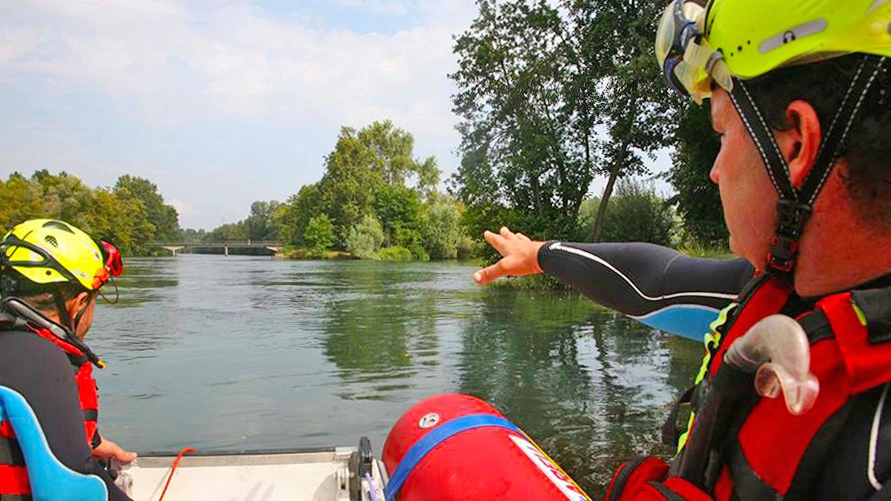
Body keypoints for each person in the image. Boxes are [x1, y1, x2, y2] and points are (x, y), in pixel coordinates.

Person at [475, 1, 891, 499]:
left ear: (797, 144)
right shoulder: (786, 291)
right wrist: (540, 253)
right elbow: (656, 284)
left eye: (721, 132)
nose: (715, 170)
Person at [0, 219, 134, 500]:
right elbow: (71, 488)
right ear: (79, 302)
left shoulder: (13, 351)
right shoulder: (39, 360)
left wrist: (89, 442)